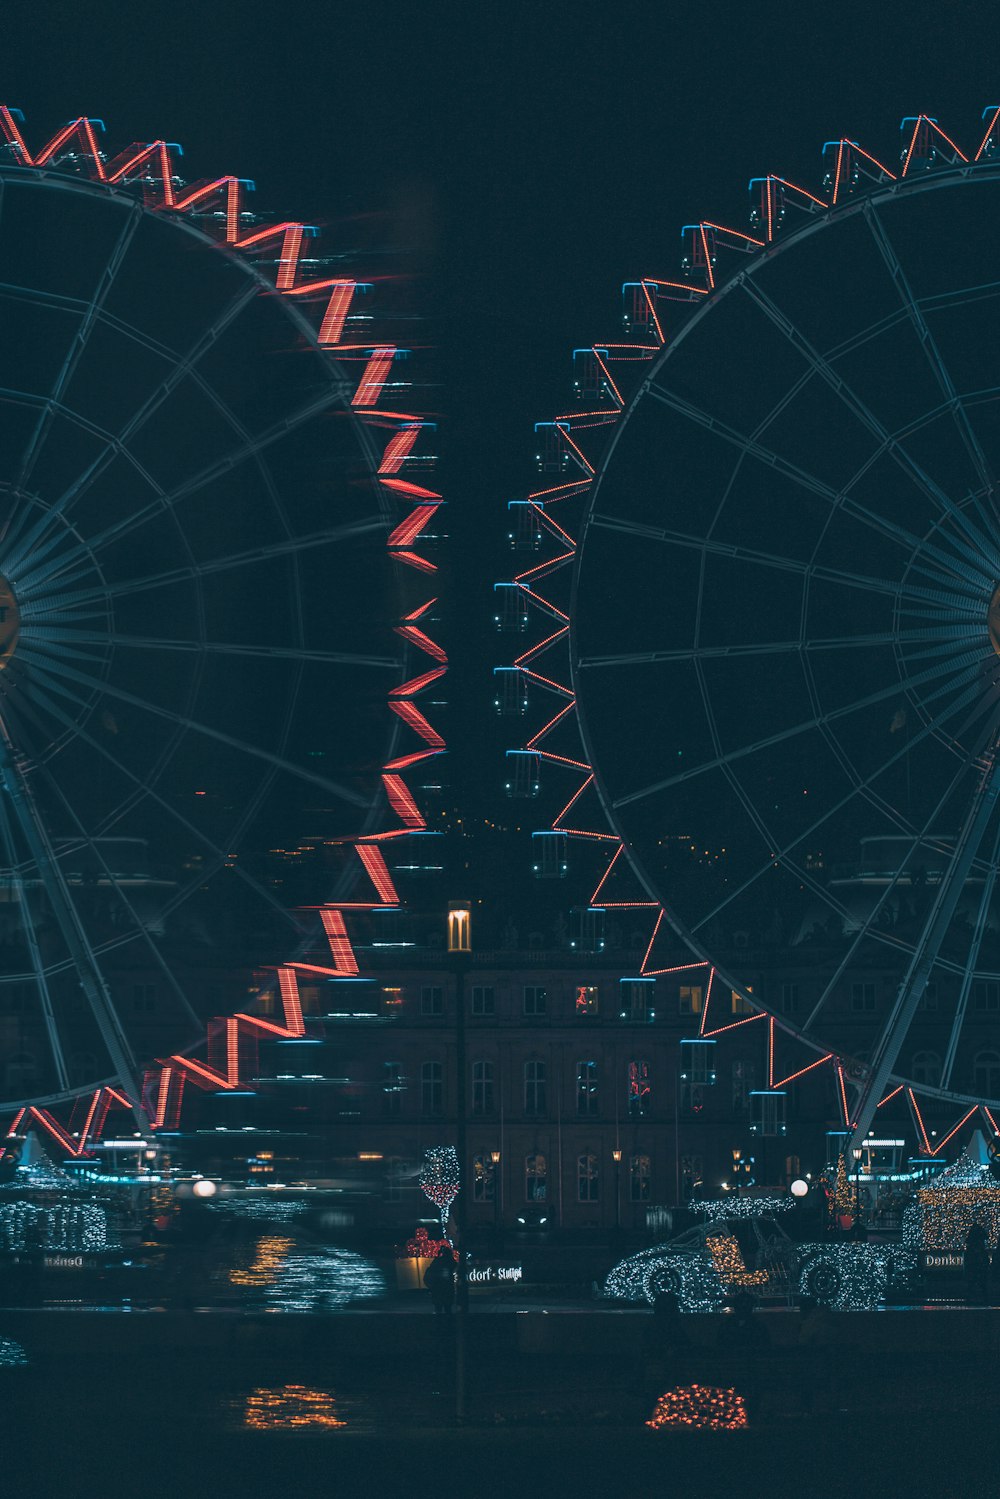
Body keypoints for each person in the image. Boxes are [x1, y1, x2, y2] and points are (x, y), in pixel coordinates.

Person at [423, 1244, 456, 1314]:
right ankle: (449, 1323)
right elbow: (454, 1264)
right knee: (448, 1309)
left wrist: (438, 1255)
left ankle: (438, 1323)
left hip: (437, 1288)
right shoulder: (450, 1262)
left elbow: (432, 1268)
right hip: (447, 1288)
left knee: (438, 1309)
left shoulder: (437, 1261)